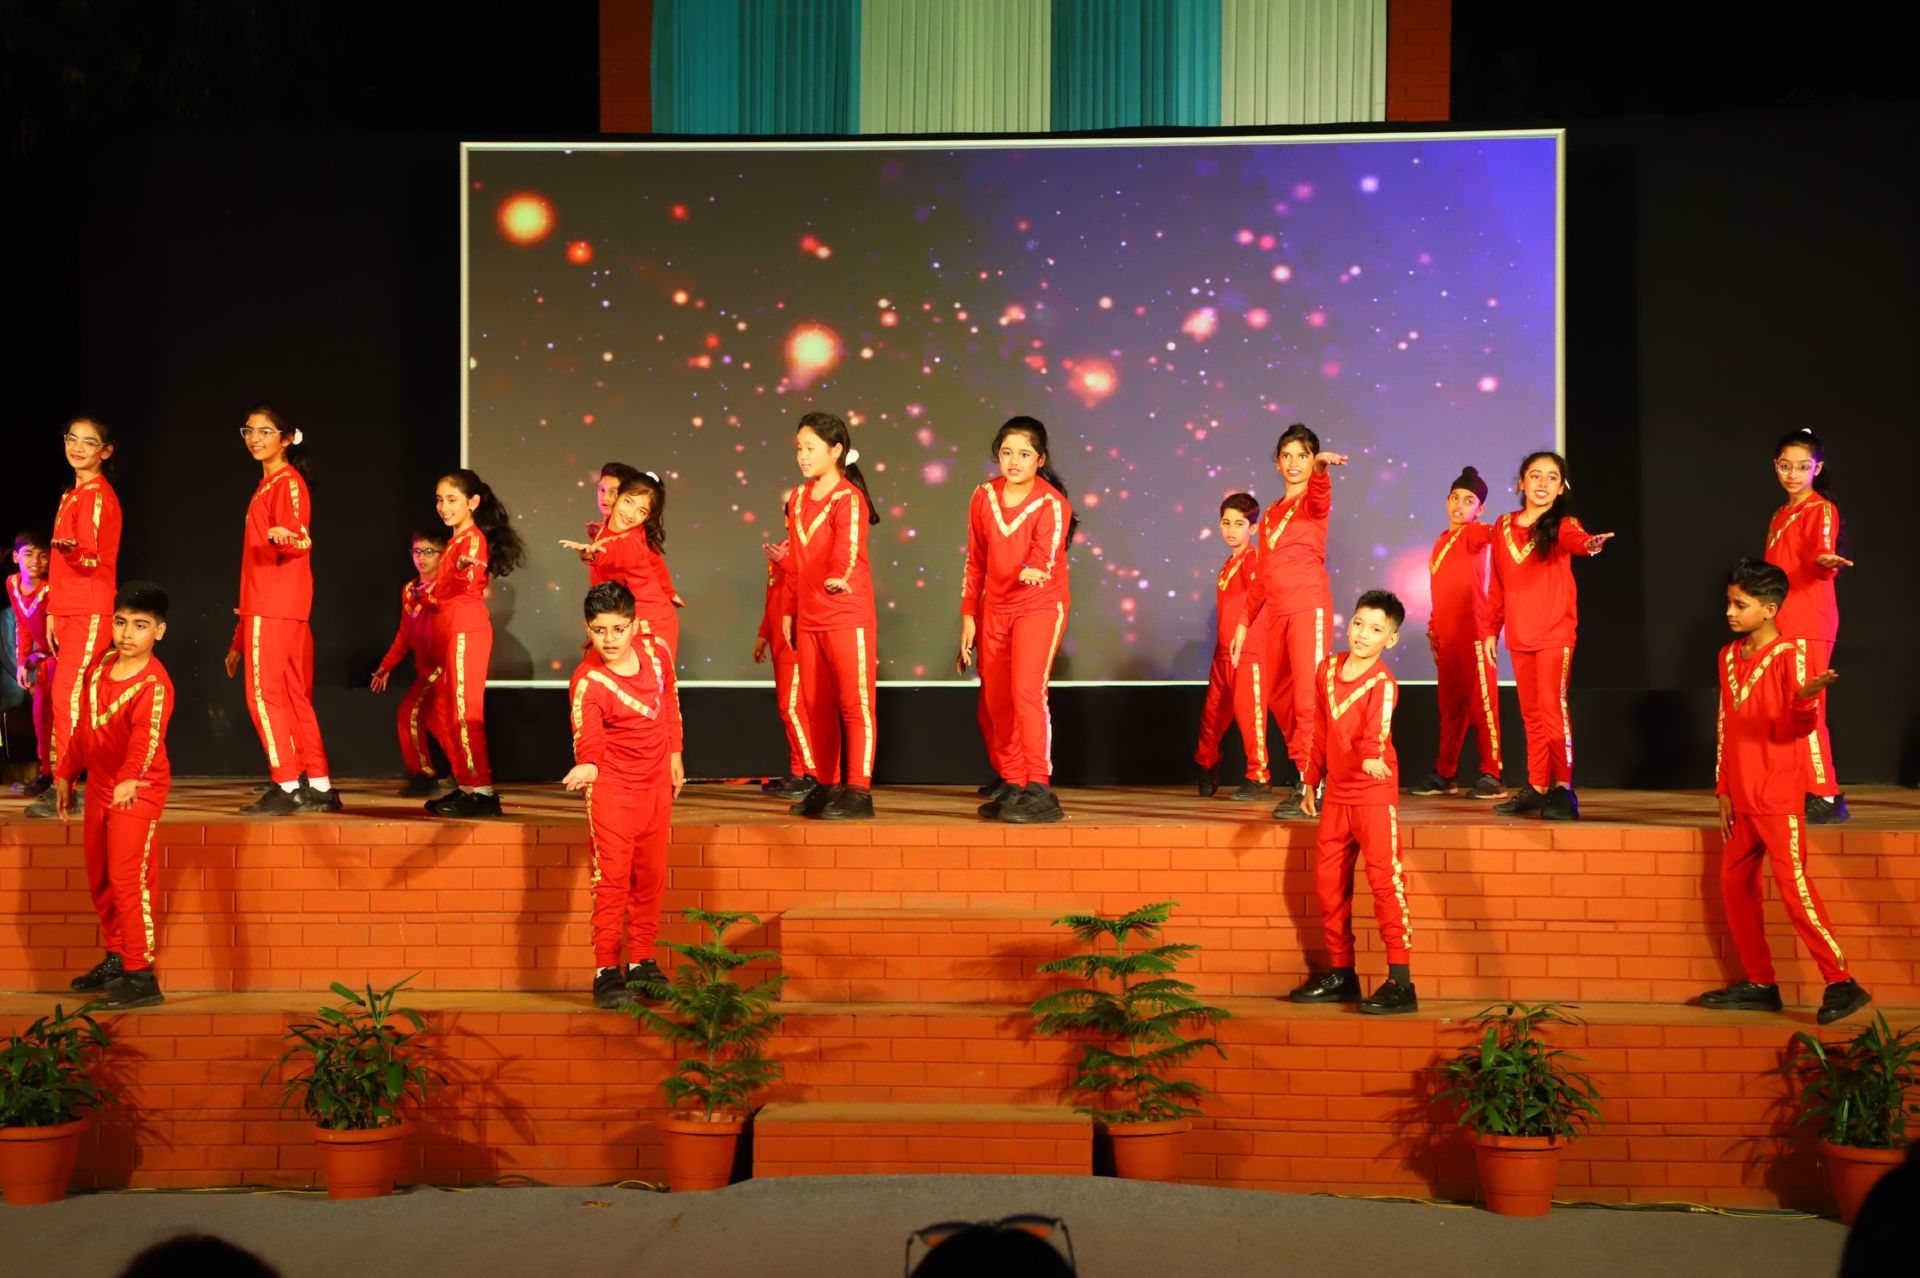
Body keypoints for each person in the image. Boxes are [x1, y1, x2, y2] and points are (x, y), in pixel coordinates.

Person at [1698, 559, 1869, 1025]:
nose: (1729, 612)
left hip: (1776, 794)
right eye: (1729, 603)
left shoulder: (1790, 654)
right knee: (1735, 885)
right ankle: (1759, 983)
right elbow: (1726, 724)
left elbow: (1798, 727)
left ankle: (1841, 981)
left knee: (1795, 890)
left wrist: (1807, 698)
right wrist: (1724, 789)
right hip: (1740, 795)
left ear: (1770, 609)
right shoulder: (1727, 655)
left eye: (1740, 605)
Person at [1288, 591, 1418, 1015]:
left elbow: (1376, 732)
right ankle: (1342, 974)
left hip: (1373, 797)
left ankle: (1401, 984)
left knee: (1385, 885)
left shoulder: (1383, 684)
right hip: (1337, 798)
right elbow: (1319, 729)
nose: (1363, 634)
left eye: (1376, 629)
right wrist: (1310, 780)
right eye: (1359, 623)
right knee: (1329, 888)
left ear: (1391, 639)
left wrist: (1371, 756)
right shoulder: (1327, 669)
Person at [56, 581, 174, 1011]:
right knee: (101, 877)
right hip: (101, 785)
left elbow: (146, 738)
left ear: (158, 631)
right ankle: (117, 956)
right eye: (121, 622)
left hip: (138, 789)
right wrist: (66, 771)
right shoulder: (102, 664)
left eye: (140, 625)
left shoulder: (154, 684)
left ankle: (141, 977)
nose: (127, 633)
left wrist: (129, 778)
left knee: (128, 881)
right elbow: (85, 726)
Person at [564, 582, 683, 1009]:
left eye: (618, 629)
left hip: (656, 787)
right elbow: (589, 737)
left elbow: (669, 701)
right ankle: (606, 970)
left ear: (634, 625)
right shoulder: (588, 681)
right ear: (588, 629)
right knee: (612, 881)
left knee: (649, 878)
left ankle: (642, 962)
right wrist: (589, 764)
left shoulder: (657, 653)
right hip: (614, 790)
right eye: (599, 631)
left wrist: (675, 753)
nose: (610, 640)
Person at [959, 416, 1077, 824]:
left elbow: (1045, 555)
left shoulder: (1052, 503)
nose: (1014, 461)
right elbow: (975, 560)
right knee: (996, 696)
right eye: (1007, 452)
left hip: (1039, 605)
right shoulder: (983, 496)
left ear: (1040, 460)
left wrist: (1035, 569)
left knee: (1026, 690)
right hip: (995, 607)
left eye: (1024, 454)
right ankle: (1012, 781)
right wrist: (968, 614)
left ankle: (1039, 787)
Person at [1486, 450, 1614, 820]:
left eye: (1552, 477)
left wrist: (1590, 545)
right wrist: (1491, 629)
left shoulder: (1563, 524)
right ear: (1521, 482)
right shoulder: (1502, 525)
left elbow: (1577, 540)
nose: (1542, 483)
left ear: (1561, 488)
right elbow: (1497, 583)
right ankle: (1538, 785)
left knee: (1552, 710)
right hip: (1519, 635)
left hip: (1555, 633)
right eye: (1535, 475)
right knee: (1531, 715)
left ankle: (1563, 789)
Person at [1229, 423, 1349, 819]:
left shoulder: (1313, 502)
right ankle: (1307, 774)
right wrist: (1244, 622)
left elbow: (1321, 494)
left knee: (1307, 698)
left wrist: (1321, 469)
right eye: (1287, 455)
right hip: (1277, 614)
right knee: (1279, 696)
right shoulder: (1271, 514)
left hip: (1307, 608)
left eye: (1302, 455)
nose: (1294, 462)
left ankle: (1312, 785)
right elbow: (1263, 576)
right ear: (1277, 462)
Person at [226, 405, 339, 815]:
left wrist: (284, 538)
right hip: (276, 605)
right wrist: (240, 635)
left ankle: (287, 784)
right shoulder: (272, 484)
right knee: (292, 697)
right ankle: (319, 785)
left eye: (265, 431)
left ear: (287, 438)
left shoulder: (286, 482)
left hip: (273, 604)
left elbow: (301, 540)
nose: (255, 439)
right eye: (249, 431)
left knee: (264, 696)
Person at [780, 411, 881, 820]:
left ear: (836, 450)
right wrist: (790, 609)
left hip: (846, 615)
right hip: (810, 618)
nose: (803, 456)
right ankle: (826, 784)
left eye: (811, 448)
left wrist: (839, 575)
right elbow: (794, 561)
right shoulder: (798, 498)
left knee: (854, 704)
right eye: (799, 448)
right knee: (816, 705)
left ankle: (858, 790)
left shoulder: (848, 498)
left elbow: (847, 547)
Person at [29, 418, 121, 819]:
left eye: (89, 441)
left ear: (106, 451)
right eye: (72, 438)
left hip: (89, 608)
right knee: (66, 698)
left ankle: (68, 786)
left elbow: (92, 558)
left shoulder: (97, 496)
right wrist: (53, 610)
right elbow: (64, 564)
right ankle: (66, 783)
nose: (77, 447)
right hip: (69, 609)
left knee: (70, 697)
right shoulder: (72, 494)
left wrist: (71, 552)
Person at [422, 468, 526, 817]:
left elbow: (469, 575)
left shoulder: (472, 541)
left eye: (452, 500)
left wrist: (462, 569)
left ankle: (482, 792)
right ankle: (466, 786)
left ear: (473, 502)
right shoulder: (455, 541)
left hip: (466, 630)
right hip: (451, 631)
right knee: (448, 712)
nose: (444, 507)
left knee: (465, 713)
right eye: (440, 500)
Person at [1763, 428, 1853, 824]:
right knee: (1787, 709)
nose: (1793, 474)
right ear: (1775, 465)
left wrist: (1825, 562)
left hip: (1808, 619)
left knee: (1807, 707)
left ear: (1817, 469)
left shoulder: (1820, 509)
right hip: (1782, 621)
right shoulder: (1780, 514)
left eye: (1802, 467)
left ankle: (1826, 794)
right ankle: (1799, 786)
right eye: (1786, 466)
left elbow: (1821, 550)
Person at [1410, 467, 1505, 800]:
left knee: (1483, 709)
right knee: (1450, 713)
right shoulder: (1441, 542)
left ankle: (1493, 775)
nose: (1459, 505)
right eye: (1454, 498)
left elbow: (1497, 533)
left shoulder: (1474, 533)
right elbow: (1441, 592)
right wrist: (1433, 629)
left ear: (1480, 509)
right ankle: (1445, 774)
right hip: (1446, 641)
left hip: (1474, 637)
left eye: (1468, 500)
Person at [563, 469, 684, 662]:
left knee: (642, 677)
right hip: (623, 618)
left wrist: (592, 555)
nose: (630, 514)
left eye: (642, 511)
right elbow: (655, 563)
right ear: (617, 497)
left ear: (647, 517)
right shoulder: (612, 526)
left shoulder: (630, 542)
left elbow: (614, 551)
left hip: (650, 624)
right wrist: (669, 592)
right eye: (628, 502)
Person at [369, 527, 452, 797]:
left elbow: (446, 614)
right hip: (426, 669)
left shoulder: (447, 586)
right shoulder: (408, 590)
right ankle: (458, 775)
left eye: (429, 551)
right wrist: (386, 666)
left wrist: (427, 599)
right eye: (417, 551)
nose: (422, 557)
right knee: (437, 723)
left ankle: (425, 775)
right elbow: (405, 634)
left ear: (442, 555)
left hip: (444, 666)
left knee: (410, 713)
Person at [1194, 493, 1258, 798]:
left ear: (1253, 528)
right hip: (1222, 652)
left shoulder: (1253, 560)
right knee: (1212, 714)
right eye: (1226, 522)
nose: (1231, 529)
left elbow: (1261, 598)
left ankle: (1258, 776)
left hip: (1244, 651)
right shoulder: (1228, 564)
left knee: (1249, 716)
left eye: (1239, 523)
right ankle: (1206, 765)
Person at [753, 537, 816, 801]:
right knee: (788, 709)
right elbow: (775, 597)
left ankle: (814, 773)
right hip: (780, 642)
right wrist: (764, 633)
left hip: (797, 641)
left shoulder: (812, 545)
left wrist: (786, 561)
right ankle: (798, 772)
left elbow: (811, 584)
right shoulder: (783, 547)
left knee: (793, 708)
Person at [7, 529, 55, 796]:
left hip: (61, 657)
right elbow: (23, 625)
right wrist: (22, 662)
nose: (36, 561)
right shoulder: (12, 584)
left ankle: (61, 776)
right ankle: (46, 773)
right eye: (28, 554)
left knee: (59, 716)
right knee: (41, 715)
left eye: (43, 555)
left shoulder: (51, 589)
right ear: (16, 557)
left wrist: (40, 656)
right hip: (44, 659)